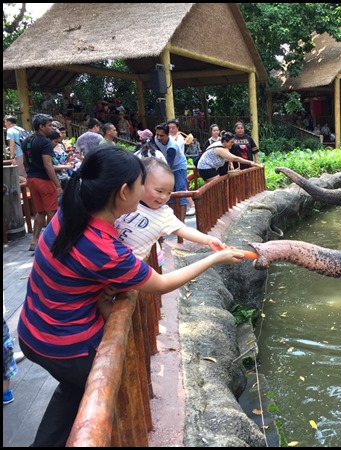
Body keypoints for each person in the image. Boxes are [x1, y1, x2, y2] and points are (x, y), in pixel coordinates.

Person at [17, 145, 245, 447]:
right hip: (64, 344)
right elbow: (161, 284)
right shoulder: (103, 248)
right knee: (105, 393)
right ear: (124, 192)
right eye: (141, 185)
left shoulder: (73, 211)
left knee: (73, 391)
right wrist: (214, 258)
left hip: (33, 327)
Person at [115, 157, 226, 261]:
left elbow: (184, 230)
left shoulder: (164, 214)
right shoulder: (127, 201)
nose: (164, 197)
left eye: (169, 192)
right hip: (106, 253)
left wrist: (209, 240)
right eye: (159, 191)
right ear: (140, 184)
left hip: (129, 265)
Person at [23, 113, 62, 252]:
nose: (51, 128)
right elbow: (48, 165)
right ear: (41, 126)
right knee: (52, 210)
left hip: (31, 179)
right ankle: (51, 241)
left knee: (40, 211)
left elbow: (24, 162)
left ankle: (34, 241)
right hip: (43, 180)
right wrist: (57, 184)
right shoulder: (45, 142)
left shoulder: (26, 140)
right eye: (49, 125)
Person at [154, 123, 189, 218]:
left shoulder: (172, 147)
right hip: (166, 166)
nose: (159, 137)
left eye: (162, 135)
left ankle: (181, 222)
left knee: (181, 192)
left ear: (167, 135)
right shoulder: (156, 139)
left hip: (178, 167)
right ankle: (172, 218)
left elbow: (169, 166)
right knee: (168, 193)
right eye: (157, 134)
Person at [197, 131, 261, 182]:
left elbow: (228, 159)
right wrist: (250, 163)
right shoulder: (220, 149)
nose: (233, 144)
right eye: (231, 142)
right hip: (205, 168)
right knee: (218, 185)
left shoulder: (223, 146)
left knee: (210, 187)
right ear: (225, 142)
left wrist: (231, 165)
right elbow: (235, 158)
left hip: (207, 167)